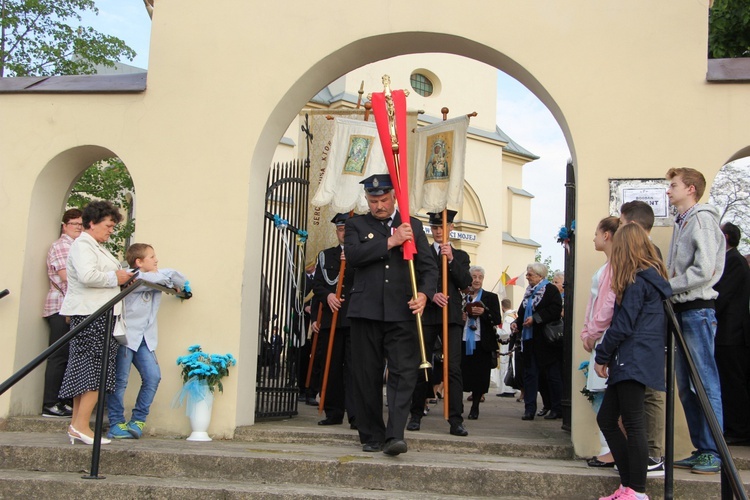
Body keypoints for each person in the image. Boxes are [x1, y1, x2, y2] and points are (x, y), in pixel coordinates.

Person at [344, 174, 438, 456]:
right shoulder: (356, 225)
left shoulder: (413, 225)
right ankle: (371, 434)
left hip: (402, 312)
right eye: (373, 201)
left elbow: (429, 268)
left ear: (394, 197)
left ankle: (395, 435)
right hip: (366, 312)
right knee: (366, 375)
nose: (379, 206)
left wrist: (424, 294)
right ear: (366, 200)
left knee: (403, 374)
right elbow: (354, 255)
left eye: (384, 200)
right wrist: (391, 242)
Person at [595, 222, 672, 500]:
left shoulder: (639, 280)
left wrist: (602, 354)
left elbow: (624, 323)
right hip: (635, 358)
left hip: (633, 358)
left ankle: (637, 491)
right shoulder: (647, 278)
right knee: (607, 419)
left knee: (633, 422)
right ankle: (629, 487)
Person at [58, 201, 133, 445]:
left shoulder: (94, 245)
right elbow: (87, 276)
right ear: (92, 223)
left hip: (99, 314)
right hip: (92, 315)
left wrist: (120, 279)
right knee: (94, 370)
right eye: (108, 225)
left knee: (89, 369)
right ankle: (80, 425)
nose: (111, 230)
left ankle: (77, 425)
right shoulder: (83, 245)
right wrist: (116, 277)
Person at [666, 167, 725, 475]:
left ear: (690, 189)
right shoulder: (684, 221)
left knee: (704, 382)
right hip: (683, 310)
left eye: (673, 185)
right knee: (687, 387)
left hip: (698, 309)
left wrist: (668, 286)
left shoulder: (701, 218)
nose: (668, 190)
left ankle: (714, 450)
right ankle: (702, 447)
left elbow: (703, 270)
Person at [107, 243, 187, 439]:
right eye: (152, 257)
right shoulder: (130, 276)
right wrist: (169, 278)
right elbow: (156, 277)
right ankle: (116, 423)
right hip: (126, 337)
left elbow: (181, 280)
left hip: (145, 338)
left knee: (153, 377)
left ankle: (138, 420)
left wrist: (171, 281)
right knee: (120, 381)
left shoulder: (155, 278)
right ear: (138, 262)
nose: (156, 260)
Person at [406, 210, 472, 436]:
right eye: (434, 228)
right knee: (421, 364)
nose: (438, 232)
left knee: (452, 367)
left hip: (450, 317)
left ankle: (456, 419)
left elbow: (465, 283)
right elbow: (415, 279)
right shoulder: (423, 252)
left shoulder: (460, 255)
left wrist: (451, 259)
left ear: (451, 228)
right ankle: (415, 413)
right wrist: (431, 294)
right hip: (426, 315)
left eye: (442, 227)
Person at [620, 200, 667, 477]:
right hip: (642, 335)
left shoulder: (649, 252)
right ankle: (644, 452)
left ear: (634, 225)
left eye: (623, 222)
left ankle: (654, 453)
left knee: (651, 395)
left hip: (647, 336)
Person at [580, 216, 619, 468]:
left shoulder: (615, 266)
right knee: (600, 394)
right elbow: (593, 304)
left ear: (606, 235)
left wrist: (592, 332)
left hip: (605, 336)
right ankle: (610, 448)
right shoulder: (607, 266)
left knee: (606, 396)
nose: (593, 237)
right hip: (598, 335)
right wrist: (587, 330)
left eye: (596, 232)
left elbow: (607, 304)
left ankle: (611, 449)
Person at [312, 213, 356, 427]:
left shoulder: (360, 254)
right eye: (340, 230)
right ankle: (333, 412)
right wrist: (328, 296)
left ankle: (356, 415)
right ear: (336, 231)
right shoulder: (325, 255)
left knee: (354, 368)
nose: (344, 233)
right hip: (332, 319)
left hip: (354, 318)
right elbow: (318, 285)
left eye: (347, 230)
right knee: (331, 366)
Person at [41, 208, 83, 418]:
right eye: (74, 223)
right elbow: (66, 277)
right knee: (58, 355)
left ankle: (63, 400)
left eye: (81, 224)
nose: (78, 227)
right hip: (60, 305)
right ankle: (50, 403)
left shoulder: (76, 246)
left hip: (71, 307)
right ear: (64, 225)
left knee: (68, 355)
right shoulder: (61, 245)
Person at [511, 263, 563, 421]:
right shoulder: (529, 292)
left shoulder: (551, 290)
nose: (527, 277)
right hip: (530, 340)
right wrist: (517, 324)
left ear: (540, 276)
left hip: (547, 342)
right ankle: (529, 409)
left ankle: (557, 408)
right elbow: (522, 312)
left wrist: (536, 319)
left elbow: (554, 310)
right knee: (530, 376)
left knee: (552, 376)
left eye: (530, 274)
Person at [713, 222, 750, 444]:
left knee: (733, 383)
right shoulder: (731, 261)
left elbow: (721, 296)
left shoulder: (734, 262)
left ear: (725, 237)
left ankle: (739, 430)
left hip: (732, 335)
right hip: (727, 335)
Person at [460, 265, 501, 420]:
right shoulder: (462, 296)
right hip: (463, 341)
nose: (476, 280)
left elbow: (497, 319)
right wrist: (461, 317)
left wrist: (484, 313)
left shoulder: (490, 297)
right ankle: (458, 405)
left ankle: (475, 406)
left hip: (481, 343)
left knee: (480, 376)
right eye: (474, 277)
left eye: (480, 277)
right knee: (461, 374)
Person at [496, 298, 517, 397]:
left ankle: (508, 389)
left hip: (506, 344)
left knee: (506, 366)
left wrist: (496, 330)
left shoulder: (508, 318)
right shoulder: (513, 315)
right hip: (509, 343)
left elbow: (505, 332)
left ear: (502, 307)